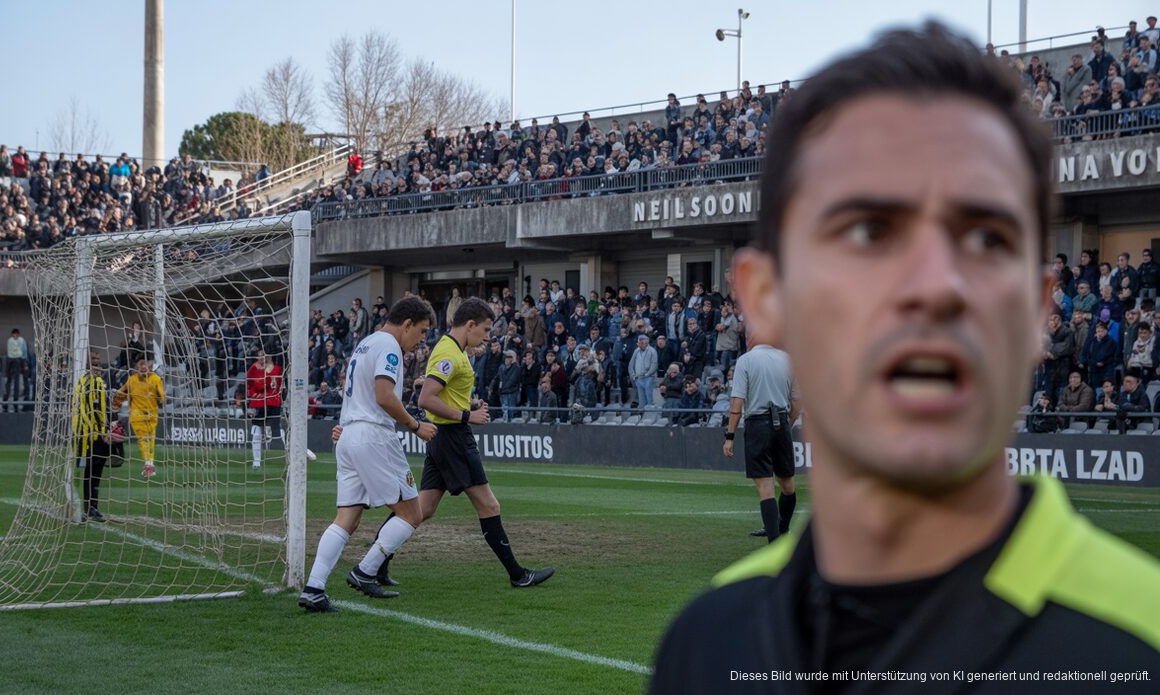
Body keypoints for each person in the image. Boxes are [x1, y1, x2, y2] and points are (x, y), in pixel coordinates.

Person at [651, 24, 1160, 692]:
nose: (935, 285)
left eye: (985, 237)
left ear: (1040, 309)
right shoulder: (705, 642)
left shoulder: (1139, 645)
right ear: (766, 300)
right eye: (869, 231)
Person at [357, 298, 553, 588]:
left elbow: (439, 393)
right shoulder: (449, 352)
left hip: (444, 437)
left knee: (421, 510)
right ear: (470, 325)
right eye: (485, 329)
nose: (488, 336)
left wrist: (468, 403)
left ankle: (376, 565)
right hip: (453, 438)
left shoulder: (455, 350)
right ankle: (518, 575)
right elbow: (427, 400)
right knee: (489, 506)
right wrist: (467, 415)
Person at [298, 298, 438, 612]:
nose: (421, 340)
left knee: (347, 518)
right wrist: (416, 426)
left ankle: (314, 588)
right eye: (421, 331)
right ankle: (366, 571)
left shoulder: (366, 343)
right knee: (412, 514)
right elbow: (384, 396)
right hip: (373, 435)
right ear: (407, 324)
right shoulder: (389, 346)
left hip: (348, 434)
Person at [723, 336, 800, 542]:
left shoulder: (746, 360)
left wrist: (729, 436)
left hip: (757, 423)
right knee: (788, 485)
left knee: (766, 487)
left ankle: (774, 542)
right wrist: (786, 424)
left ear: (752, 341)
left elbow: (736, 404)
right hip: (781, 421)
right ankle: (782, 530)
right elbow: (798, 401)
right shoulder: (787, 359)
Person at [112, 356, 165, 478]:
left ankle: (149, 463)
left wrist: (159, 397)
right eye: (140, 366)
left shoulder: (156, 379)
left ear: (150, 367)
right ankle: (148, 464)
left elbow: (162, 399)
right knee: (143, 438)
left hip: (152, 414)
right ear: (137, 367)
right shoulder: (132, 380)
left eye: (145, 365)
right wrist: (115, 406)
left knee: (150, 438)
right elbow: (122, 393)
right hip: (136, 414)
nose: (143, 368)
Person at [74, 353, 108, 521]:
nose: (98, 368)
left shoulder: (84, 383)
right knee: (91, 472)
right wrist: (100, 431)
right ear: (89, 367)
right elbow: (96, 412)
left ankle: (88, 507)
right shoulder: (94, 384)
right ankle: (87, 508)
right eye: (95, 365)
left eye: (99, 364)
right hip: (91, 437)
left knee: (90, 472)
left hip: (87, 435)